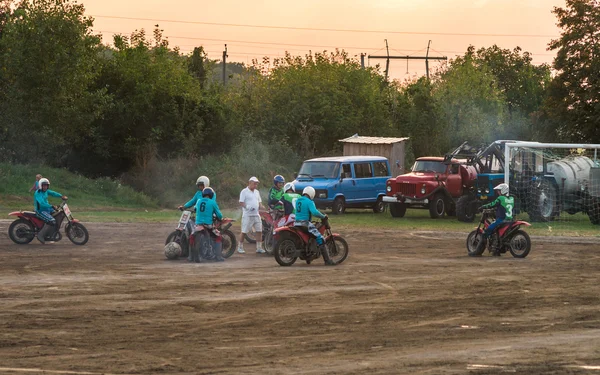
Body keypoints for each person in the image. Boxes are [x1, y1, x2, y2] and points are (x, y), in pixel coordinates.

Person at [294, 186, 334, 265]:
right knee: (320, 238)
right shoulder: (309, 201)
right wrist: (323, 216)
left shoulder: (298, 200)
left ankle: (308, 257)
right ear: (312, 194)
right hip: (305, 223)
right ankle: (327, 261)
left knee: (310, 236)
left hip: (296, 223)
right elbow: (314, 212)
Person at [475, 183, 514, 256]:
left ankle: (477, 252)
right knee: (496, 232)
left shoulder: (500, 198)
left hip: (501, 220)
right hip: (510, 220)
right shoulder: (511, 199)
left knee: (486, 232)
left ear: (502, 190)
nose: (497, 192)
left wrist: (483, 206)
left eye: (499, 191)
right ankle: (496, 249)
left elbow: (492, 204)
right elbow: (505, 207)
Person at [192, 187, 224, 262]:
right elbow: (219, 215)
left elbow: (195, 209)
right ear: (211, 195)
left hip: (198, 224)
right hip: (208, 224)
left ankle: (190, 256)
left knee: (192, 236)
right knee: (218, 236)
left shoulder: (199, 201)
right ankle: (218, 257)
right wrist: (220, 218)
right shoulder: (212, 202)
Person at [34, 178, 67, 244]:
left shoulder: (46, 191)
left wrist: (61, 196)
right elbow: (42, 203)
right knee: (51, 221)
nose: (45, 187)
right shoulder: (38, 193)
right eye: (44, 185)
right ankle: (40, 235)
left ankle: (52, 234)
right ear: (41, 185)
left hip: (48, 209)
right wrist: (51, 206)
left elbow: (53, 193)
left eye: (46, 185)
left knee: (58, 214)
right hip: (40, 211)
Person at [238, 176, 265, 254]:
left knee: (259, 230)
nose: (255, 186)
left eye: (256, 184)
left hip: (256, 214)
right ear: (250, 183)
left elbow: (259, 202)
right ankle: (240, 246)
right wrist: (247, 206)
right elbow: (241, 202)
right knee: (244, 231)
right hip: (247, 215)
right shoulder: (244, 191)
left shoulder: (257, 192)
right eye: (254, 184)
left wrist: (261, 206)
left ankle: (259, 247)